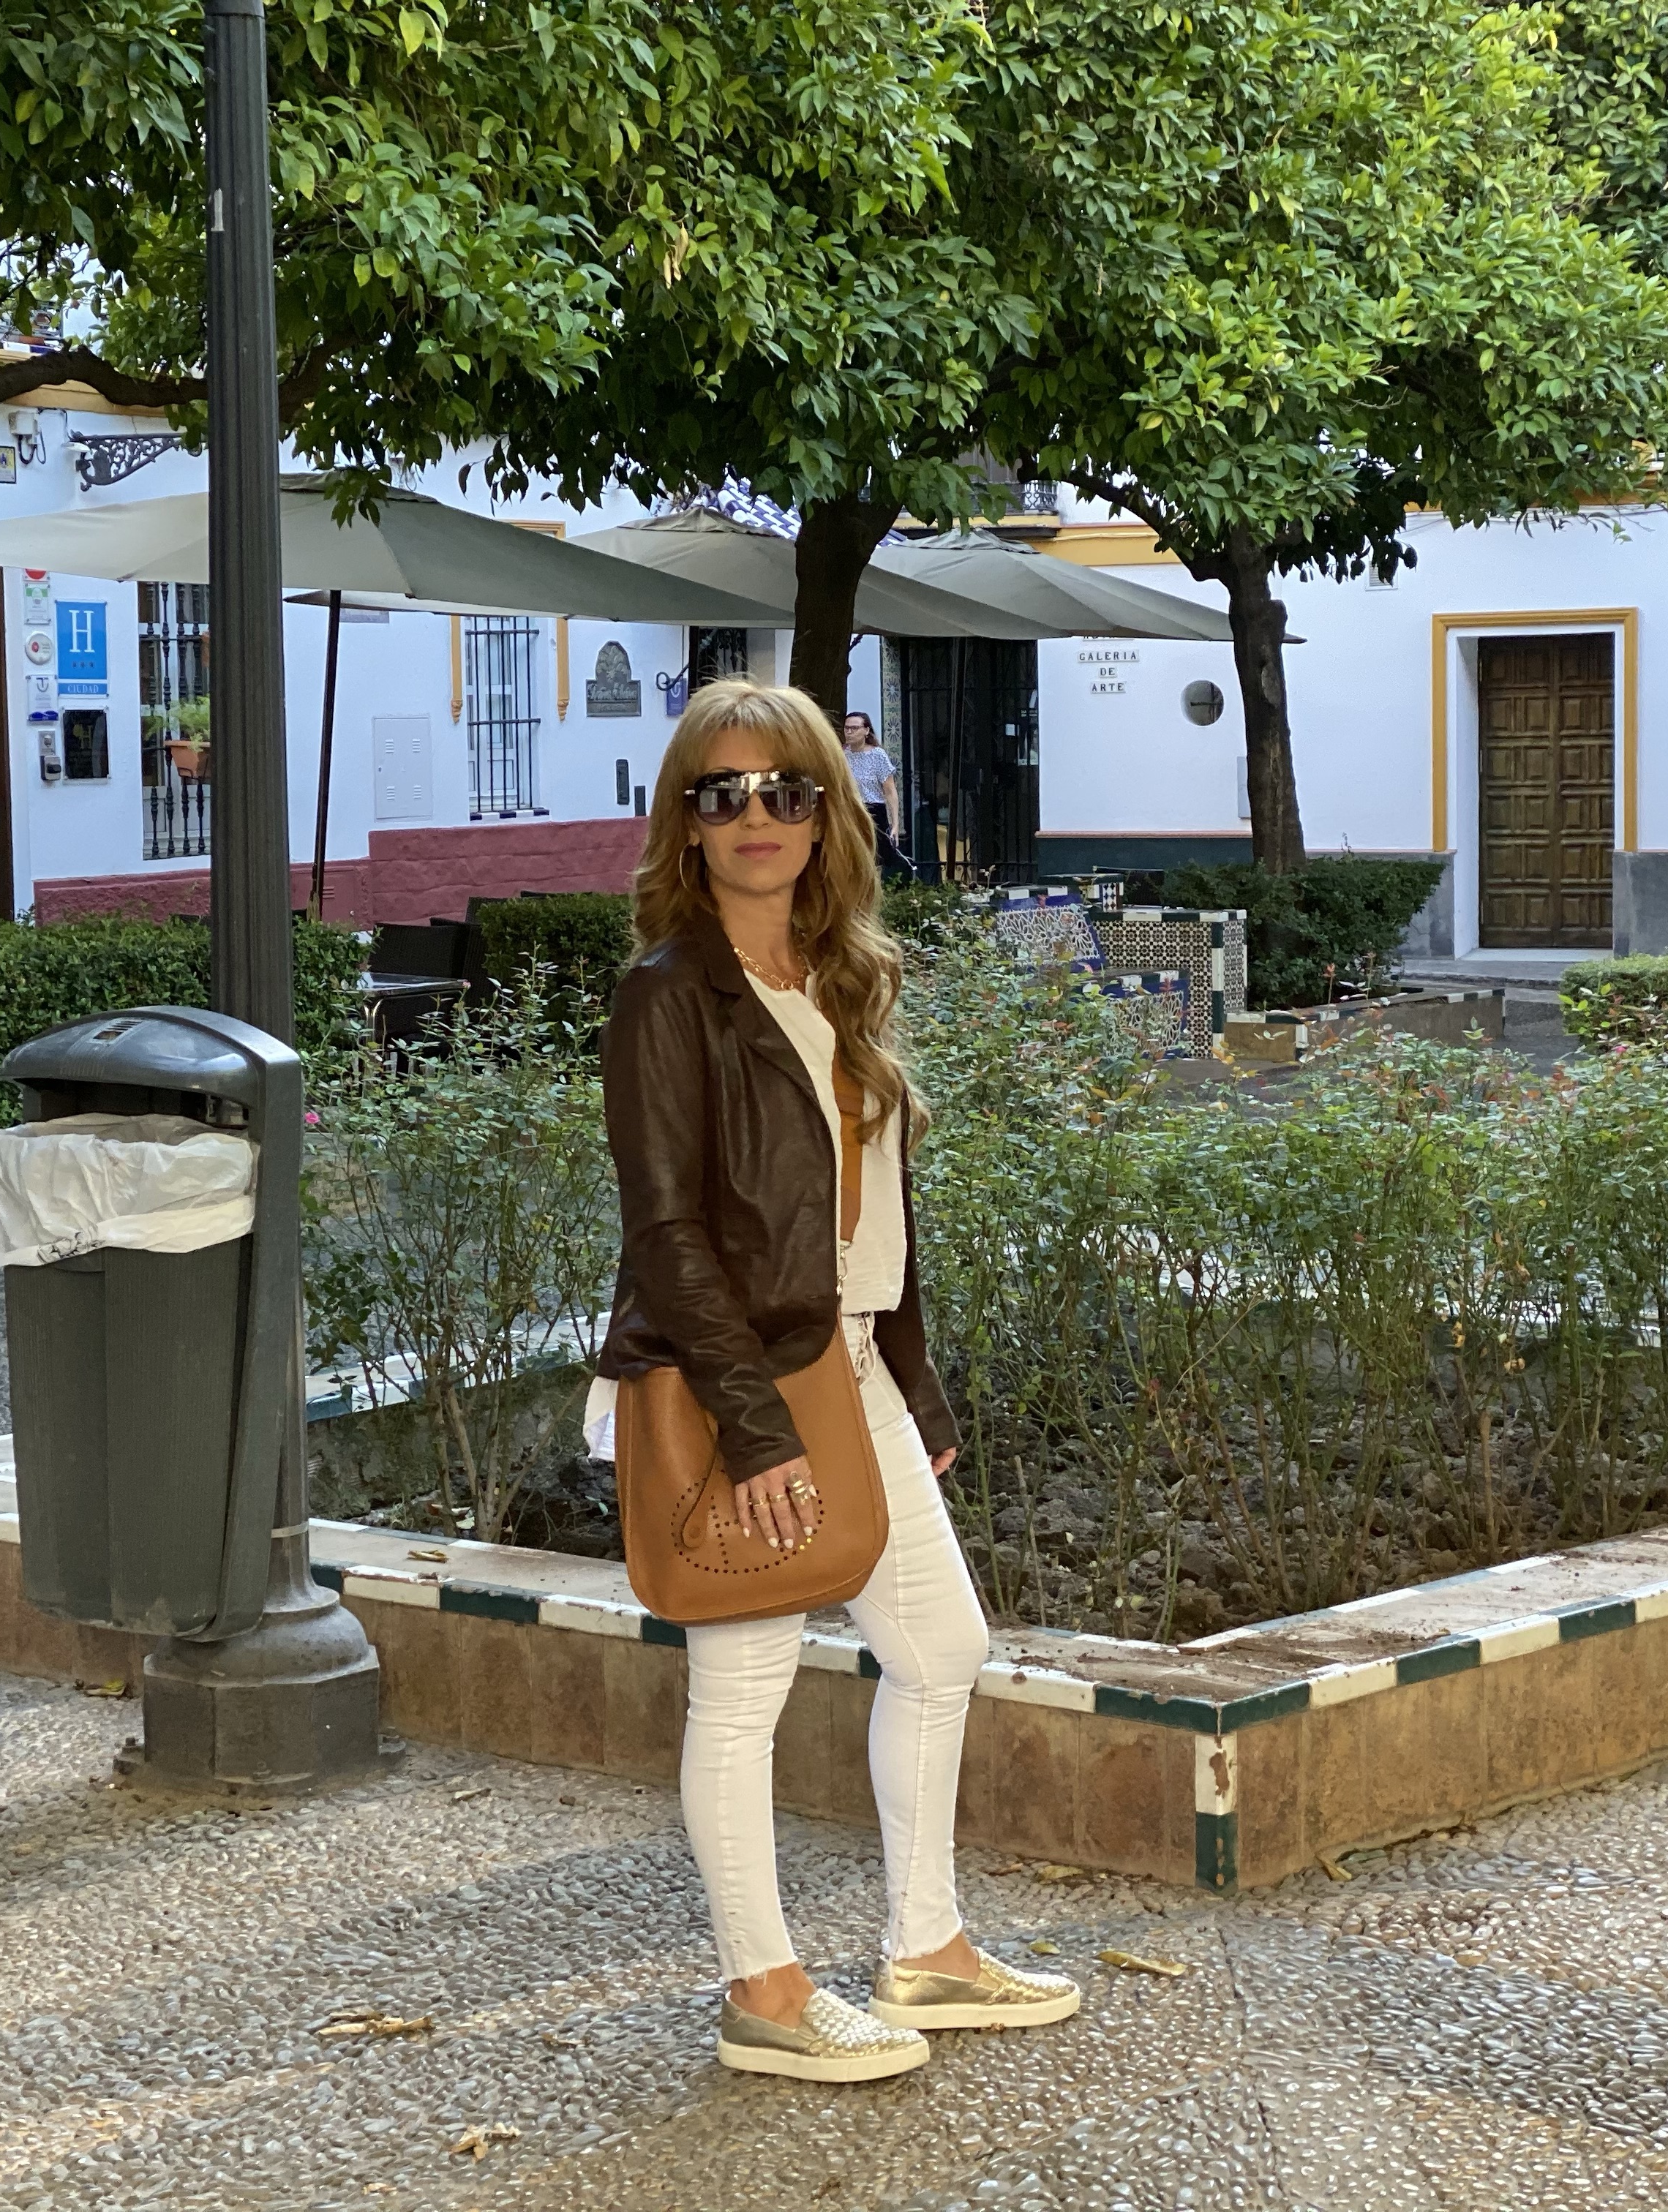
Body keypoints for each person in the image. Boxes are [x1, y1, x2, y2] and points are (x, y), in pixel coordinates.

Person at [593, 677, 1078, 2083]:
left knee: (941, 1649)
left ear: (825, 814)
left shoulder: (841, 977)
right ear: (686, 823)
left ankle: (925, 1947)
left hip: (851, 1362)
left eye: (786, 790)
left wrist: (914, 1385)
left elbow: (879, 1215)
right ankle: (763, 1986)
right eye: (723, 792)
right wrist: (754, 1430)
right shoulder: (668, 995)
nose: (757, 815)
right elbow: (667, 1232)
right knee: (743, 1680)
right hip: (738, 1378)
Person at [840, 710, 914, 884]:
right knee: (851, 857)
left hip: (873, 811)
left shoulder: (877, 755)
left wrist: (895, 823)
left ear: (866, 730)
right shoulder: (842, 754)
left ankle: (875, 891)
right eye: (847, 728)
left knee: (876, 858)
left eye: (854, 728)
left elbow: (890, 791)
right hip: (850, 809)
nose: (849, 732)